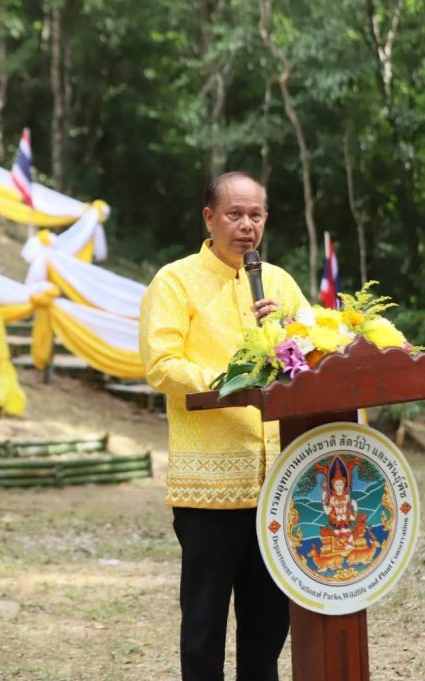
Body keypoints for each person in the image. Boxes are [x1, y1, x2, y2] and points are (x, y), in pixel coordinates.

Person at [139, 171, 309, 681]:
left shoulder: (279, 283)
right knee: (204, 627)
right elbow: (161, 363)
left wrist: (287, 336)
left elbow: (313, 361)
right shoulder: (175, 280)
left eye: (255, 215)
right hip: (208, 488)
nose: (246, 226)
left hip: (277, 485)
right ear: (209, 218)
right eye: (234, 214)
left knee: (268, 629)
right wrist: (235, 380)